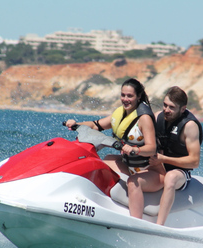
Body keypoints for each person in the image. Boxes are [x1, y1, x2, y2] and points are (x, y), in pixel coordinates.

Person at [65, 78, 164, 218]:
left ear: (138, 97)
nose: (125, 99)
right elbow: (95, 125)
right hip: (130, 166)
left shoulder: (144, 118)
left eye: (130, 96)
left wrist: (135, 149)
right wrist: (76, 124)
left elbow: (152, 148)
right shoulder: (120, 113)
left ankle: (135, 222)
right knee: (99, 164)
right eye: (123, 95)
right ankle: (96, 203)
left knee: (133, 182)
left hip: (151, 171)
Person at [129, 86, 203, 225]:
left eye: (171, 107)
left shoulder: (190, 126)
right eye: (165, 105)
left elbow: (194, 162)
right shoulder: (158, 117)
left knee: (171, 178)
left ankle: (159, 225)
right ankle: (135, 223)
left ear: (182, 109)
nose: (166, 110)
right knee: (133, 180)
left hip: (180, 173)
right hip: (158, 169)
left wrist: (164, 159)